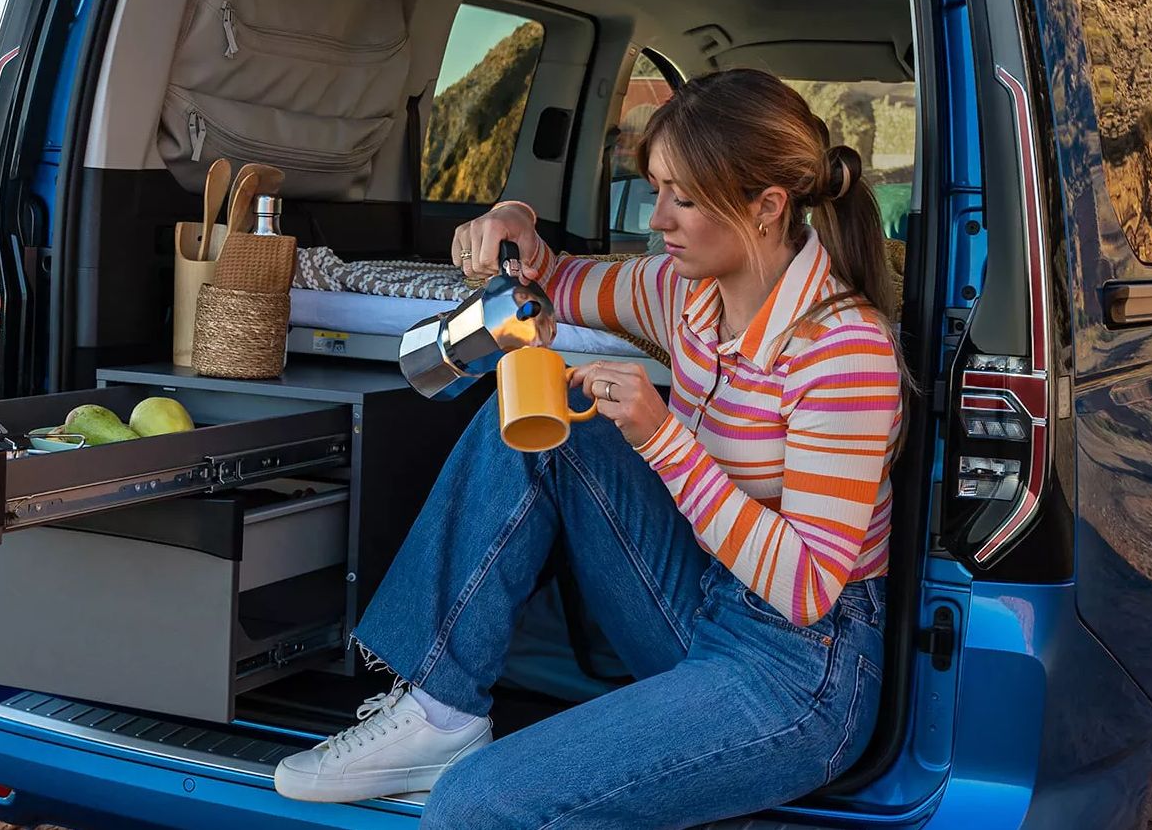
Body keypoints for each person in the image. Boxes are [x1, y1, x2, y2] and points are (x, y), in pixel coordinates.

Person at [275, 68, 905, 828]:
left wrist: (663, 440)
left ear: (766, 207)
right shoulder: (683, 292)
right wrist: (514, 225)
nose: (657, 220)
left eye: (684, 197)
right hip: (702, 600)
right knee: (555, 411)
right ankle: (439, 707)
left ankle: (460, 754)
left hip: (801, 671)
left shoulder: (843, 351)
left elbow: (807, 587)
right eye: (655, 189)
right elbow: (558, 281)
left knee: (476, 810)